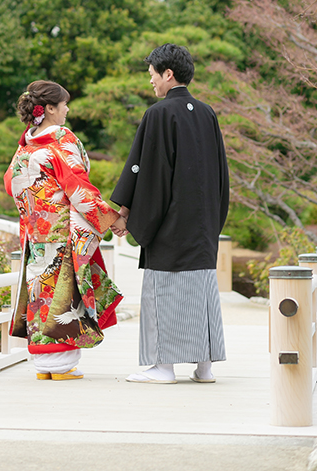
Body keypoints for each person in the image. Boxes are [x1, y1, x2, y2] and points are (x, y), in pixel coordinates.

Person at [111, 44, 229, 384]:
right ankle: (204, 367)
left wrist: (127, 213)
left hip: (171, 226)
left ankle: (163, 367)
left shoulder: (159, 114)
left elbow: (149, 172)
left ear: (168, 74)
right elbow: (220, 174)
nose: (151, 82)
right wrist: (213, 220)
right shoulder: (206, 113)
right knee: (201, 292)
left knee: (164, 293)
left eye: (152, 75)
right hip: (202, 226)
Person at [4, 79, 126, 380]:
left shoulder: (25, 145)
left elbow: (11, 184)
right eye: (63, 105)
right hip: (62, 232)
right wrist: (113, 219)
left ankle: (44, 366)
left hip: (36, 234)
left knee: (40, 292)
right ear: (48, 109)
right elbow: (79, 188)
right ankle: (61, 365)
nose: (67, 110)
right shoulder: (61, 139)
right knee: (63, 296)